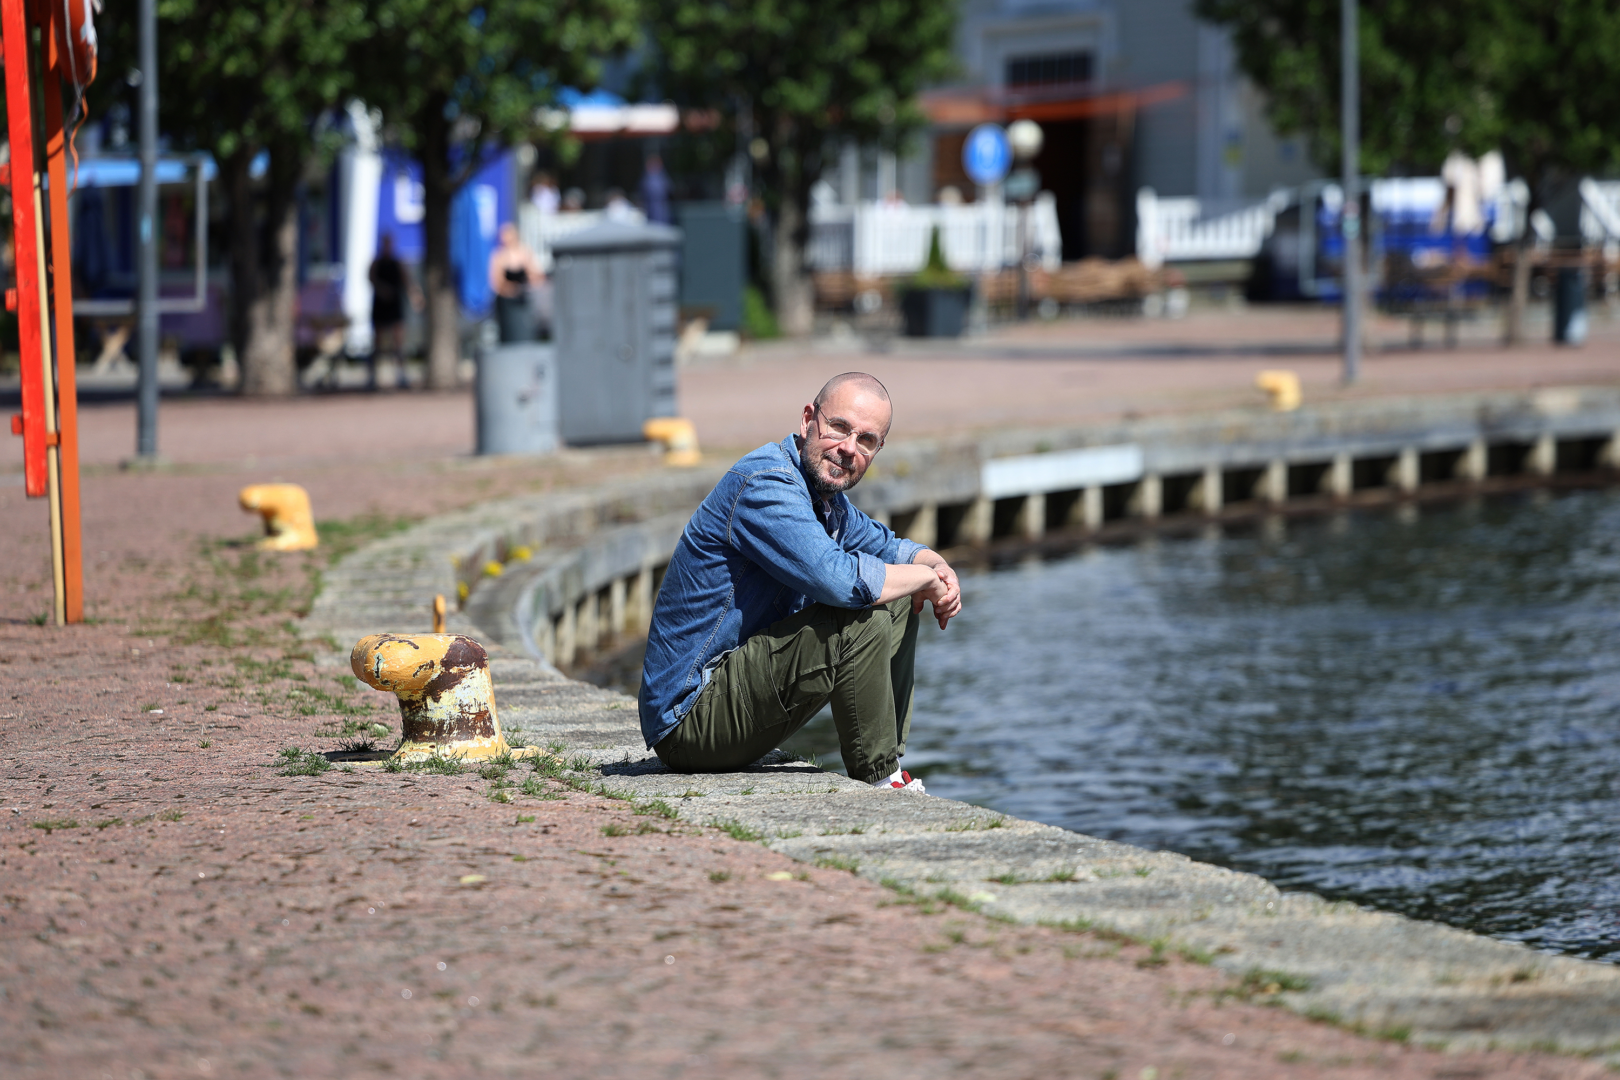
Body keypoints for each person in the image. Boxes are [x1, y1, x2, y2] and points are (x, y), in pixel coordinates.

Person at [638, 372, 962, 791]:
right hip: (688, 720)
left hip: (736, 705)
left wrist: (937, 569)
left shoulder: (827, 502)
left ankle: (892, 762)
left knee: (897, 597)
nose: (848, 448)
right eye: (839, 427)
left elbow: (890, 547)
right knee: (861, 618)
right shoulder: (766, 485)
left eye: (865, 440)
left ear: (878, 449)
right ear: (809, 419)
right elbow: (839, 580)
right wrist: (922, 578)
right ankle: (882, 781)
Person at [367, 234, 421, 390]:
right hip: (380, 306)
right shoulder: (376, 263)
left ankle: (401, 374)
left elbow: (407, 281)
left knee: (398, 342)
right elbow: (371, 278)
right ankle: (372, 376)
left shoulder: (398, 264)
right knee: (377, 342)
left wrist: (414, 296)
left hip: (395, 305)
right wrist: (381, 289)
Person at [487, 222, 543, 343]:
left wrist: (529, 284)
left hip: (523, 302)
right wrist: (511, 289)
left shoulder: (525, 253)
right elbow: (496, 281)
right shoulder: (498, 256)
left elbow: (534, 274)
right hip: (507, 304)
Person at [640, 154, 673, 225]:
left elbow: (669, 188)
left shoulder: (662, 176)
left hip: (662, 206)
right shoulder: (647, 177)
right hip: (650, 206)